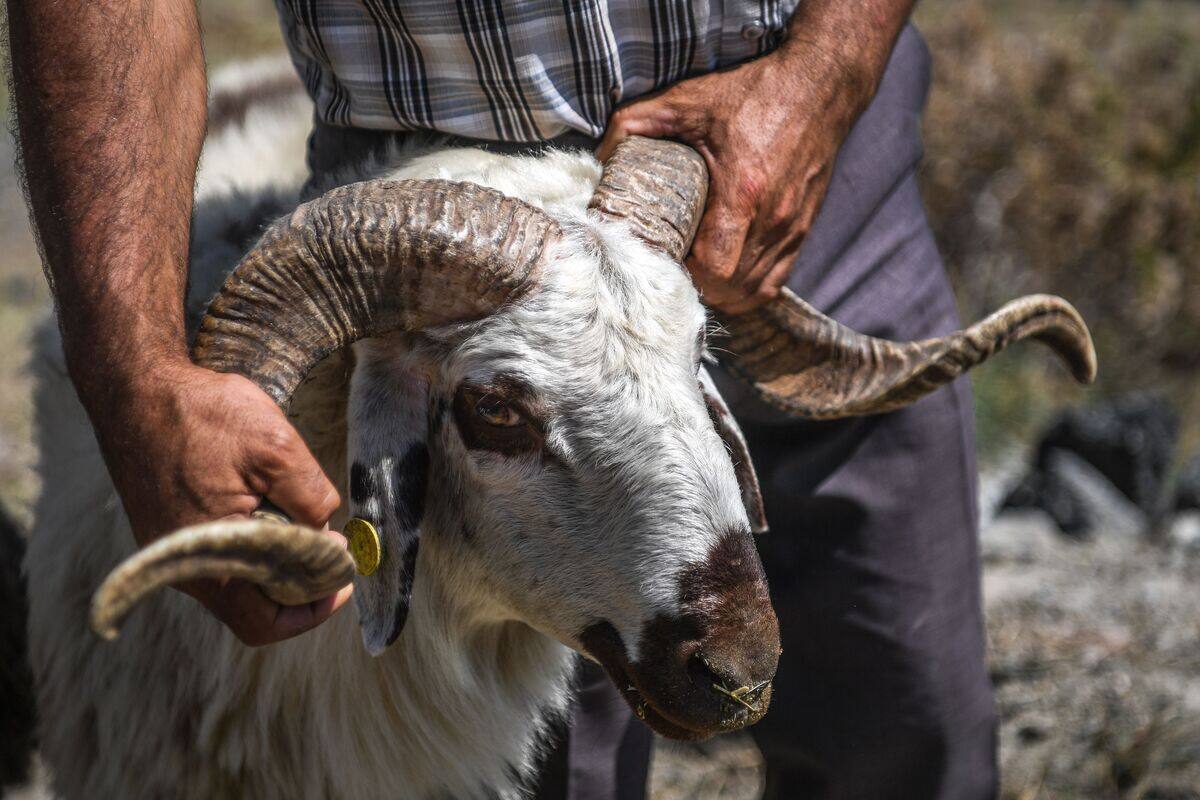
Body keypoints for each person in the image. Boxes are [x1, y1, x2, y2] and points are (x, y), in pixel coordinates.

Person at [7, 0, 996, 797]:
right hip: (421, 245)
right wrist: (138, 376)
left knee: (912, 727)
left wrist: (831, 66)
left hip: (806, 158)